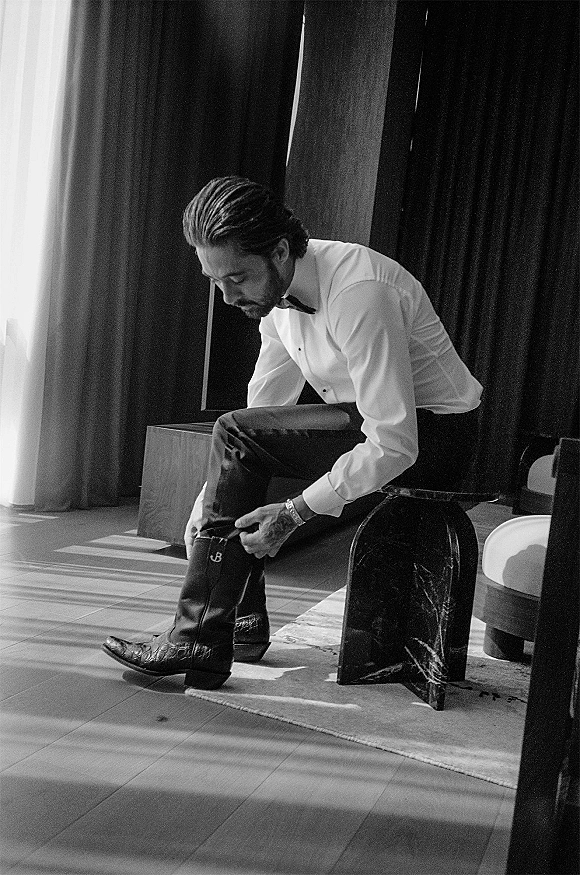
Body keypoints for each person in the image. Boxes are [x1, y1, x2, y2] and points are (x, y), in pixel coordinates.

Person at [102, 176, 483, 691]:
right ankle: (238, 624)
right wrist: (206, 502)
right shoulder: (276, 298)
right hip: (377, 424)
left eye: (236, 278)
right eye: (215, 281)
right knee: (240, 437)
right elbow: (264, 410)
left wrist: (293, 512)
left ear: (280, 251)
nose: (227, 296)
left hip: (437, 435)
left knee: (236, 434)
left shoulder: (358, 292)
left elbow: (395, 440)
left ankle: (199, 638)